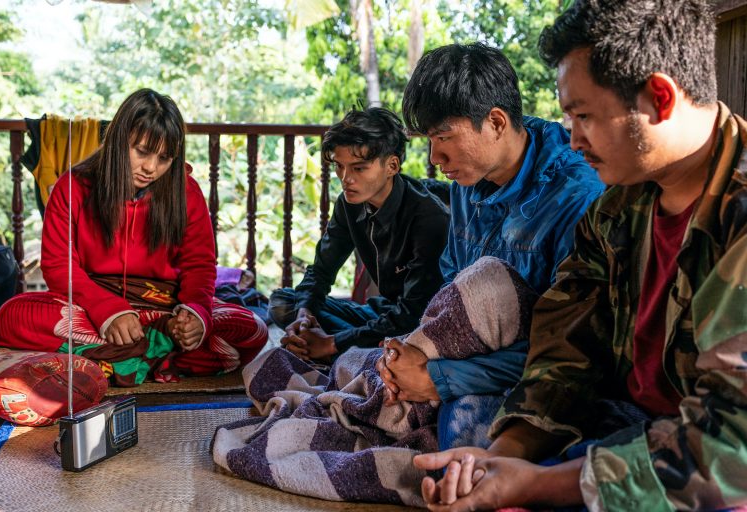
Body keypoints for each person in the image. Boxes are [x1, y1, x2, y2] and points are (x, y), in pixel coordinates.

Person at [414, 1, 747, 510]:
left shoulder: (738, 216)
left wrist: (532, 484)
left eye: (584, 115)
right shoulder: (617, 209)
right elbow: (566, 350)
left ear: (659, 97)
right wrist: (501, 460)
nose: (572, 139)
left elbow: (729, 450)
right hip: (626, 431)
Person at [377, 43, 603, 439]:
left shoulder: (576, 197)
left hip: (547, 376)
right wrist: (413, 359)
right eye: (428, 140)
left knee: (461, 436)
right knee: (367, 371)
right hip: (470, 359)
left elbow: (576, 348)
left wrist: (440, 378)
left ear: (496, 122)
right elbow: (456, 295)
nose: (434, 158)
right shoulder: (469, 180)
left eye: (444, 137)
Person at [0, 88, 268, 387]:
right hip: (92, 303)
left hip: (164, 306)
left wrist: (195, 315)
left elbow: (200, 264)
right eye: (142, 151)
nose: (151, 168)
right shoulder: (72, 186)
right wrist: (109, 312)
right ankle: (156, 354)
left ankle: (113, 358)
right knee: (12, 317)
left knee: (253, 329)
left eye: (164, 158)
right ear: (117, 140)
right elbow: (61, 267)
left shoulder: (187, 191)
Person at [268, 107, 449, 361]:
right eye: (340, 167)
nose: (345, 179)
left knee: (412, 339)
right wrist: (305, 315)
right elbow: (321, 271)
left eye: (359, 168)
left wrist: (332, 343)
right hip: (384, 314)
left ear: (392, 165)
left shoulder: (428, 216)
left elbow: (415, 312)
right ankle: (359, 349)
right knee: (284, 302)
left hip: (423, 322)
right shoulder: (349, 204)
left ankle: (347, 350)